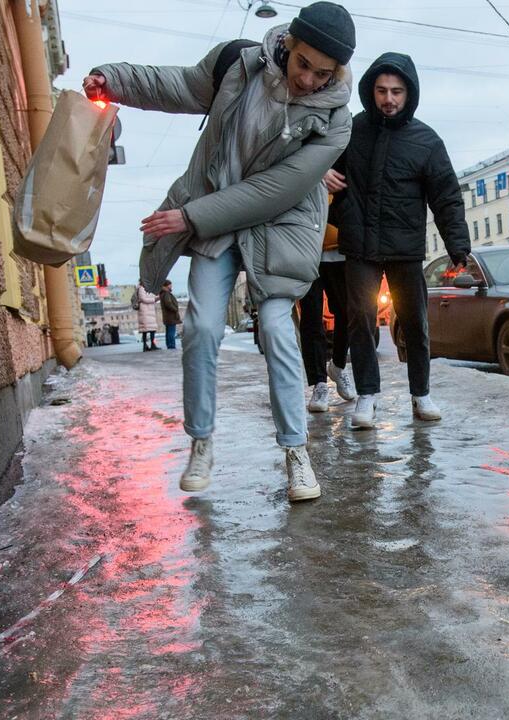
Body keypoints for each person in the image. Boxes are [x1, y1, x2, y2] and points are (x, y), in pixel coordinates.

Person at [84, 2, 356, 500]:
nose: (309, 80)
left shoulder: (337, 119)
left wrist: (189, 217)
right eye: (303, 64)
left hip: (281, 224)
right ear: (288, 45)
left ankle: (297, 453)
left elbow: (278, 189)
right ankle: (201, 441)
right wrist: (114, 79)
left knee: (276, 328)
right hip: (216, 216)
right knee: (202, 327)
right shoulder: (239, 65)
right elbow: (178, 85)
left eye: (323, 73)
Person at [326, 53, 470, 430]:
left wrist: (458, 248)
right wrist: (323, 174)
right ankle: (367, 397)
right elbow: (315, 159)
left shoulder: (426, 140)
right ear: (370, 92)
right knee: (360, 319)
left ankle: (421, 394)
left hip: (405, 246)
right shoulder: (350, 131)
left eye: (396, 91)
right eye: (381, 91)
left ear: (409, 93)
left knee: (414, 321)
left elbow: (447, 196)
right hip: (359, 244)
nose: (389, 98)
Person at [299, 199, 356, 413]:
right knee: (311, 316)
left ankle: (338, 366)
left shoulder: (342, 166)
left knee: (347, 312)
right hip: (307, 249)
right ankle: (319, 384)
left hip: (340, 248)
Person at [135, 284, 160, 351]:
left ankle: (152, 344)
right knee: (145, 329)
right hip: (145, 311)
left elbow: (152, 298)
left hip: (150, 311)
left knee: (152, 329)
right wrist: (153, 299)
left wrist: (157, 297)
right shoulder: (141, 288)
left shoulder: (149, 288)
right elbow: (143, 299)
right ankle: (145, 345)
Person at [159, 280, 182, 350]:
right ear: (167, 285)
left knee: (169, 331)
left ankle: (169, 345)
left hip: (167, 316)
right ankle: (171, 345)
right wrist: (175, 309)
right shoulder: (166, 293)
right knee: (171, 332)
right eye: (170, 285)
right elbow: (168, 303)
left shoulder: (163, 293)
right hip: (170, 316)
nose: (171, 286)